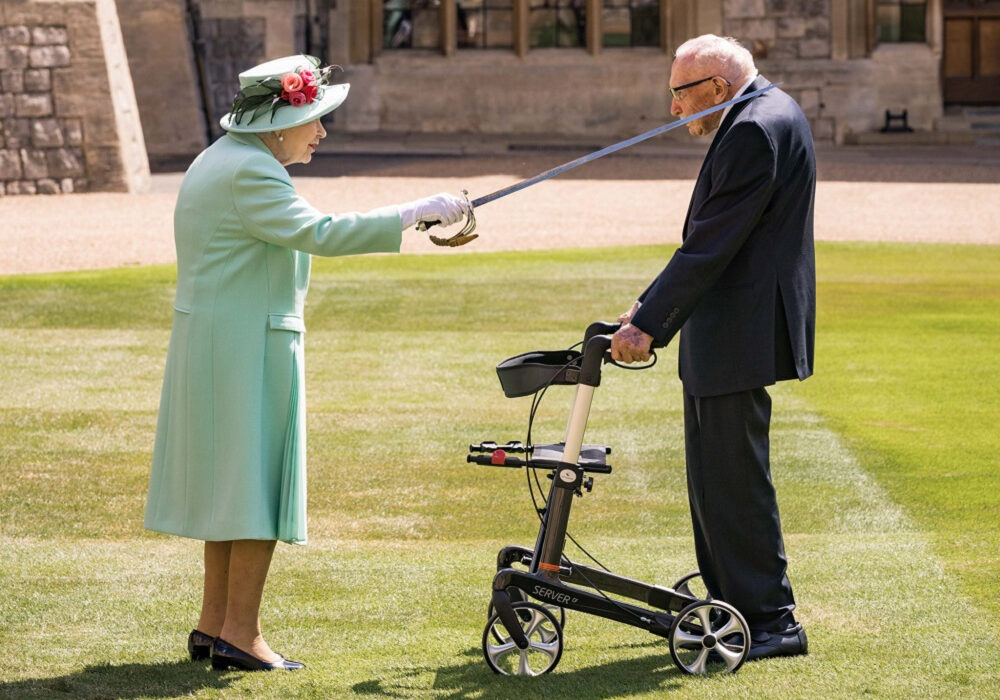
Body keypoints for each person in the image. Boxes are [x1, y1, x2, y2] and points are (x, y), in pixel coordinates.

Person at [143, 55, 470, 672]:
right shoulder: (251, 172)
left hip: (221, 343)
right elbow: (318, 232)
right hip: (246, 348)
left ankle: (214, 626)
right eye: (313, 119)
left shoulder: (221, 158)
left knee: (231, 492)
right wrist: (413, 213)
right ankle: (240, 633)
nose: (321, 133)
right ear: (276, 122)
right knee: (257, 490)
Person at [610, 34, 814, 662]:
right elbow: (712, 238)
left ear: (716, 90)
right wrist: (644, 309)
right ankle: (734, 600)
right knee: (715, 478)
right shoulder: (762, 112)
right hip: (729, 325)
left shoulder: (755, 128)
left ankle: (771, 622)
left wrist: (647, 324)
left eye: (679, 94)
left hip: (739, 329)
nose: (674, 109)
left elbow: (711, 244)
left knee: (733, 480)